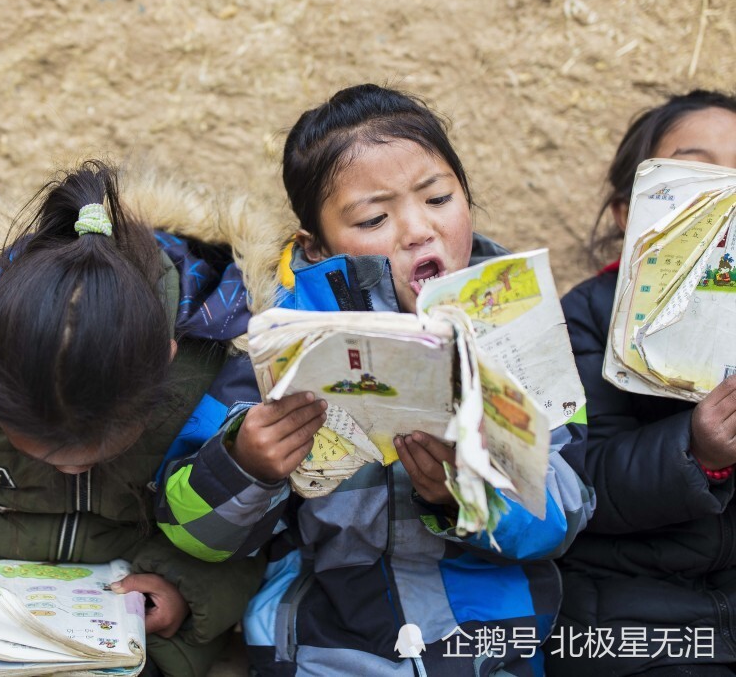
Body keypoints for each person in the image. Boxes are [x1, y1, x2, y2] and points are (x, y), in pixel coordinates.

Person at [154, 83, 595, 675]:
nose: (418, 230)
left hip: (489, 653)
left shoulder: (518, 325)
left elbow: (567, 512)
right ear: (317, 241)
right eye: (374, 217)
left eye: (438, 198)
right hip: (322, 654)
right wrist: (245, 465)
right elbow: (190, 533)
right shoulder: (276, 340)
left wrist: (467, 493)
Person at [0, 160, 268, 677]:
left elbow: (244, 513)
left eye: (98, 452)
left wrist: (183, 587)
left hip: (141, 620)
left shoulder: (220, 370)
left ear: (164, 362)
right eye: (39, 448)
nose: (72, 471)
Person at [549, 89, 736, 676]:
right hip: (626, 615)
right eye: (697, 177)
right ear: (629, 212)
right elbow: (576, 478)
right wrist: (695, 449)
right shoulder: (586, 314)